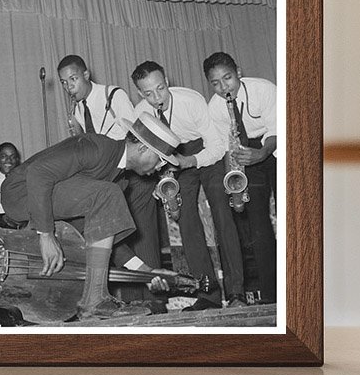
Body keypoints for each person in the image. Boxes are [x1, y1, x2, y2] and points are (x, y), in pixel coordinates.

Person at [0, 118, 181, 320]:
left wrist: (146, 271)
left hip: (42, 197)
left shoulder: (117, 178)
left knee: (108, 196)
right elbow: (38, 172)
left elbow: (99, 236)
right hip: (20, 193)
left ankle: (95, 299)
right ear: (143, 149)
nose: (160, 167)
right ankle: (94, 300)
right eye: (161, 159)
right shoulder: (96, 148)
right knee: (107, 195)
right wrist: (46, 236)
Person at [131, 60, 246, 309]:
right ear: (140, 93)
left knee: (222, 215)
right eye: (148, 93)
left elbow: (216, 146)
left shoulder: (190, 101)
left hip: (205, 153)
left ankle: (237, 294)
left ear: (167, 82)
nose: (156, 97)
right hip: (174, 159)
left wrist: (188, 161)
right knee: (187, 223)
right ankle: (208, 295)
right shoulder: (141, 112)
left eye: (160, 88)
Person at [58, 53, 161, 296]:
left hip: (133, 175)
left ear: (86, 75)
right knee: (116, 237)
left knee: (141, 238)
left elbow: (133, 136)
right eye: (64, 83)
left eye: (73, 79)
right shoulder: (78, 108)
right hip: (111, 180)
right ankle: (136, 299)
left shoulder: (113, 95)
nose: (69, 87)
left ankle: (157, 300)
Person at [203, 51, 278, 303]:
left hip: (276, 147)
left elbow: (278, 128)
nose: (224, 87)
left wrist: (263, 153)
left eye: (228, 78)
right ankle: (271, 298)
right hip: (246, 154)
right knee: (259, 227)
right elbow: (228, 145)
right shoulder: (215, 108)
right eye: (216, 83)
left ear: (239, 72)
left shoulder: (264, 90)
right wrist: (235, 183)